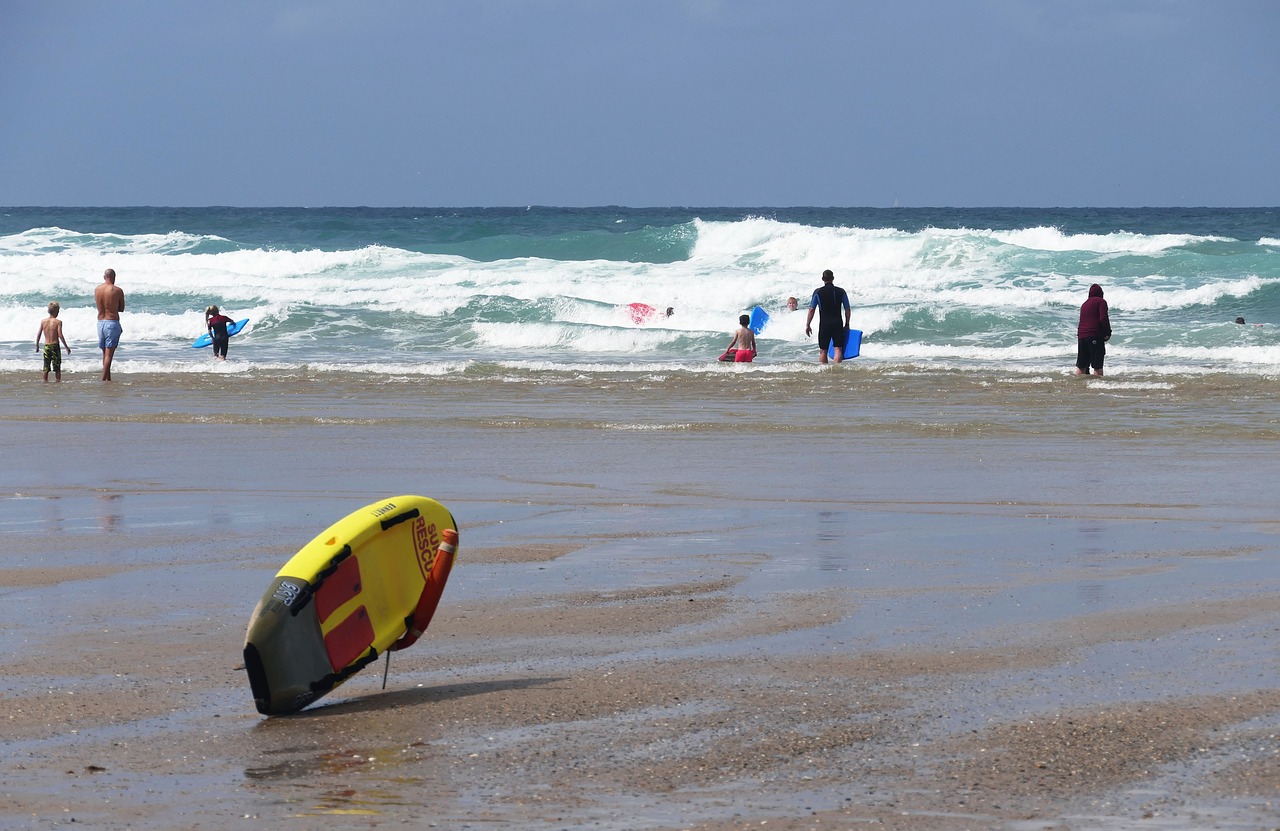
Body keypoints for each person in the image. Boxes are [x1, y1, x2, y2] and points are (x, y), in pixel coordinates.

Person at [805, 269, 851, 363]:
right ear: (833, 278)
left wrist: (808, 324)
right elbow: (847, 309)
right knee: (838, 349)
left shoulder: (818, 292)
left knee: (823, 351)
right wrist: (847, 324)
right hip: (837, 323)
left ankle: (824, 374)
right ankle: (836, 372)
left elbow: (811, 309)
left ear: (822, 279)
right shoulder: (841, 291)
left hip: (824, 325)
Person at [1075, 283, 1112, 377]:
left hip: (1081, 337)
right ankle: (1097, 387)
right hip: (1094, 335)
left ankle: (1079, 386)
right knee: (1097, 365)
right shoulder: (1101, 302)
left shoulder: (1084, 304)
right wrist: (1108, 332)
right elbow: (1103, 318)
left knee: (1082, 365)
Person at [94, 268, 125, 381]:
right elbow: (121, 308)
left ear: (104, 277)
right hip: (112, 322)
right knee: (109, 355)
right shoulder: (117, 290)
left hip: (100, 323)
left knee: (105, 354)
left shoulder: (97, 289)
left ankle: (108, 379)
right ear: (114, 277)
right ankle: (103, 380)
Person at [35, 301, 71, 382]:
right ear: (56, 311)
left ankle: (44, 381)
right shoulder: (58, 322)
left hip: (46, 346)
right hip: (55, 346)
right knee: (57, 367)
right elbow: (60, 335)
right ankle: (58, 382)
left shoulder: (43, 321)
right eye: (58, 311)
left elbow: (39, 334)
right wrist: (66, 347)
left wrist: (37, 345)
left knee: (46, 367)